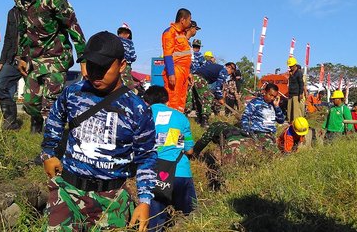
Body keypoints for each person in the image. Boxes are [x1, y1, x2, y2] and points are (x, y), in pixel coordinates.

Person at [41, 31, 157, 231]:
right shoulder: (74, 93)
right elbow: (55, 119)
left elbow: (146, 157)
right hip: (68, 192)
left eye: (103, 68)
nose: (95, 74)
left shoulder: (137, 109)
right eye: (91, 66)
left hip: (111, 201)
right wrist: (48, 153)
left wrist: (145, 200)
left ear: (121, 66)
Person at [14, 0, 87, 133]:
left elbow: (73, 26)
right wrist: (21, 57)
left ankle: (51, 145)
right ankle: (55, 122)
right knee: (30, 103)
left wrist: (83, 59)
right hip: (35, 58)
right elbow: (24, 29)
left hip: (57, 56)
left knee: (50, 103)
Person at [143, 86, 196, 231]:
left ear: (146, 102)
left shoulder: (142, 116)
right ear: (167, 101)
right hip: (181, 172)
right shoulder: (180, 117)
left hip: (154, 174)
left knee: (155, 222)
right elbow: (189, 150)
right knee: (189, 217)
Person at [193, 83, 285, 159]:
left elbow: (281, 120)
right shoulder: (256, 103)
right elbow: (246, 116)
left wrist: (277, 107)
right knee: (275, 155)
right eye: (270, 95)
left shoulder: (273, 105)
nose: (272, 98)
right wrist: (247, 130)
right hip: (260, 133)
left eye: (274, 96)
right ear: (265, 92)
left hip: (271, 134)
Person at [0, 0, 23, 130]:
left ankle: (37, 128)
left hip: (33, 60)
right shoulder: (11, 13)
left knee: (34, 99)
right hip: (13, 58)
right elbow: (7, 37)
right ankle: (10, 122)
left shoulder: (35, 9)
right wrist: (2, 59)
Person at [162, 8, 193, 112]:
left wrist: (189, 73)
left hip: (184, 72)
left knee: (181, 101)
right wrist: (171, 73)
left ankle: (178, 125)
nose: (190, 22)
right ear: (183, 20)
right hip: (176, 71)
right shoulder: (169, 32)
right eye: (189, 20)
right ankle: (170, 126)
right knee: (172, 100)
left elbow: (185, 55)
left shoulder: (182, 34)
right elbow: (167, 54)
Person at [188, 61, 229, 126]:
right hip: (200, 79)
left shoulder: (214, 67)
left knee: (197, 100)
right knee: (208, 98)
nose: (228, 75)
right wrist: (220, 97)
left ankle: (200, 120)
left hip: (193, 77)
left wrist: (217, 95)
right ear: (229, 68)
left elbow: (214, 87)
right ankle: (205, 122)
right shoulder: (224, 70)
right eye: (231, 72)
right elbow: (218, 86)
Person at [117, 23, 137, 90]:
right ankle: (130, 92)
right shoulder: (129, 42)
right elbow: (133, 56)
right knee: (127, 81)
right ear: (128, 35)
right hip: (126, 64)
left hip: (116, 63)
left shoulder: (115, 40)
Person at [287, 57, 304, 122]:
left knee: (295, 111)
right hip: (290, 94)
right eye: (289, 66)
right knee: (289, 110)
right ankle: (290, 122)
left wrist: (300, 93)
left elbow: (301, 84)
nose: (290, 67)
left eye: (291, 66)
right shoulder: (290, 72)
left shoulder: (299, 73)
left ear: (295, 65)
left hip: (296, 94)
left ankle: (295, 123)